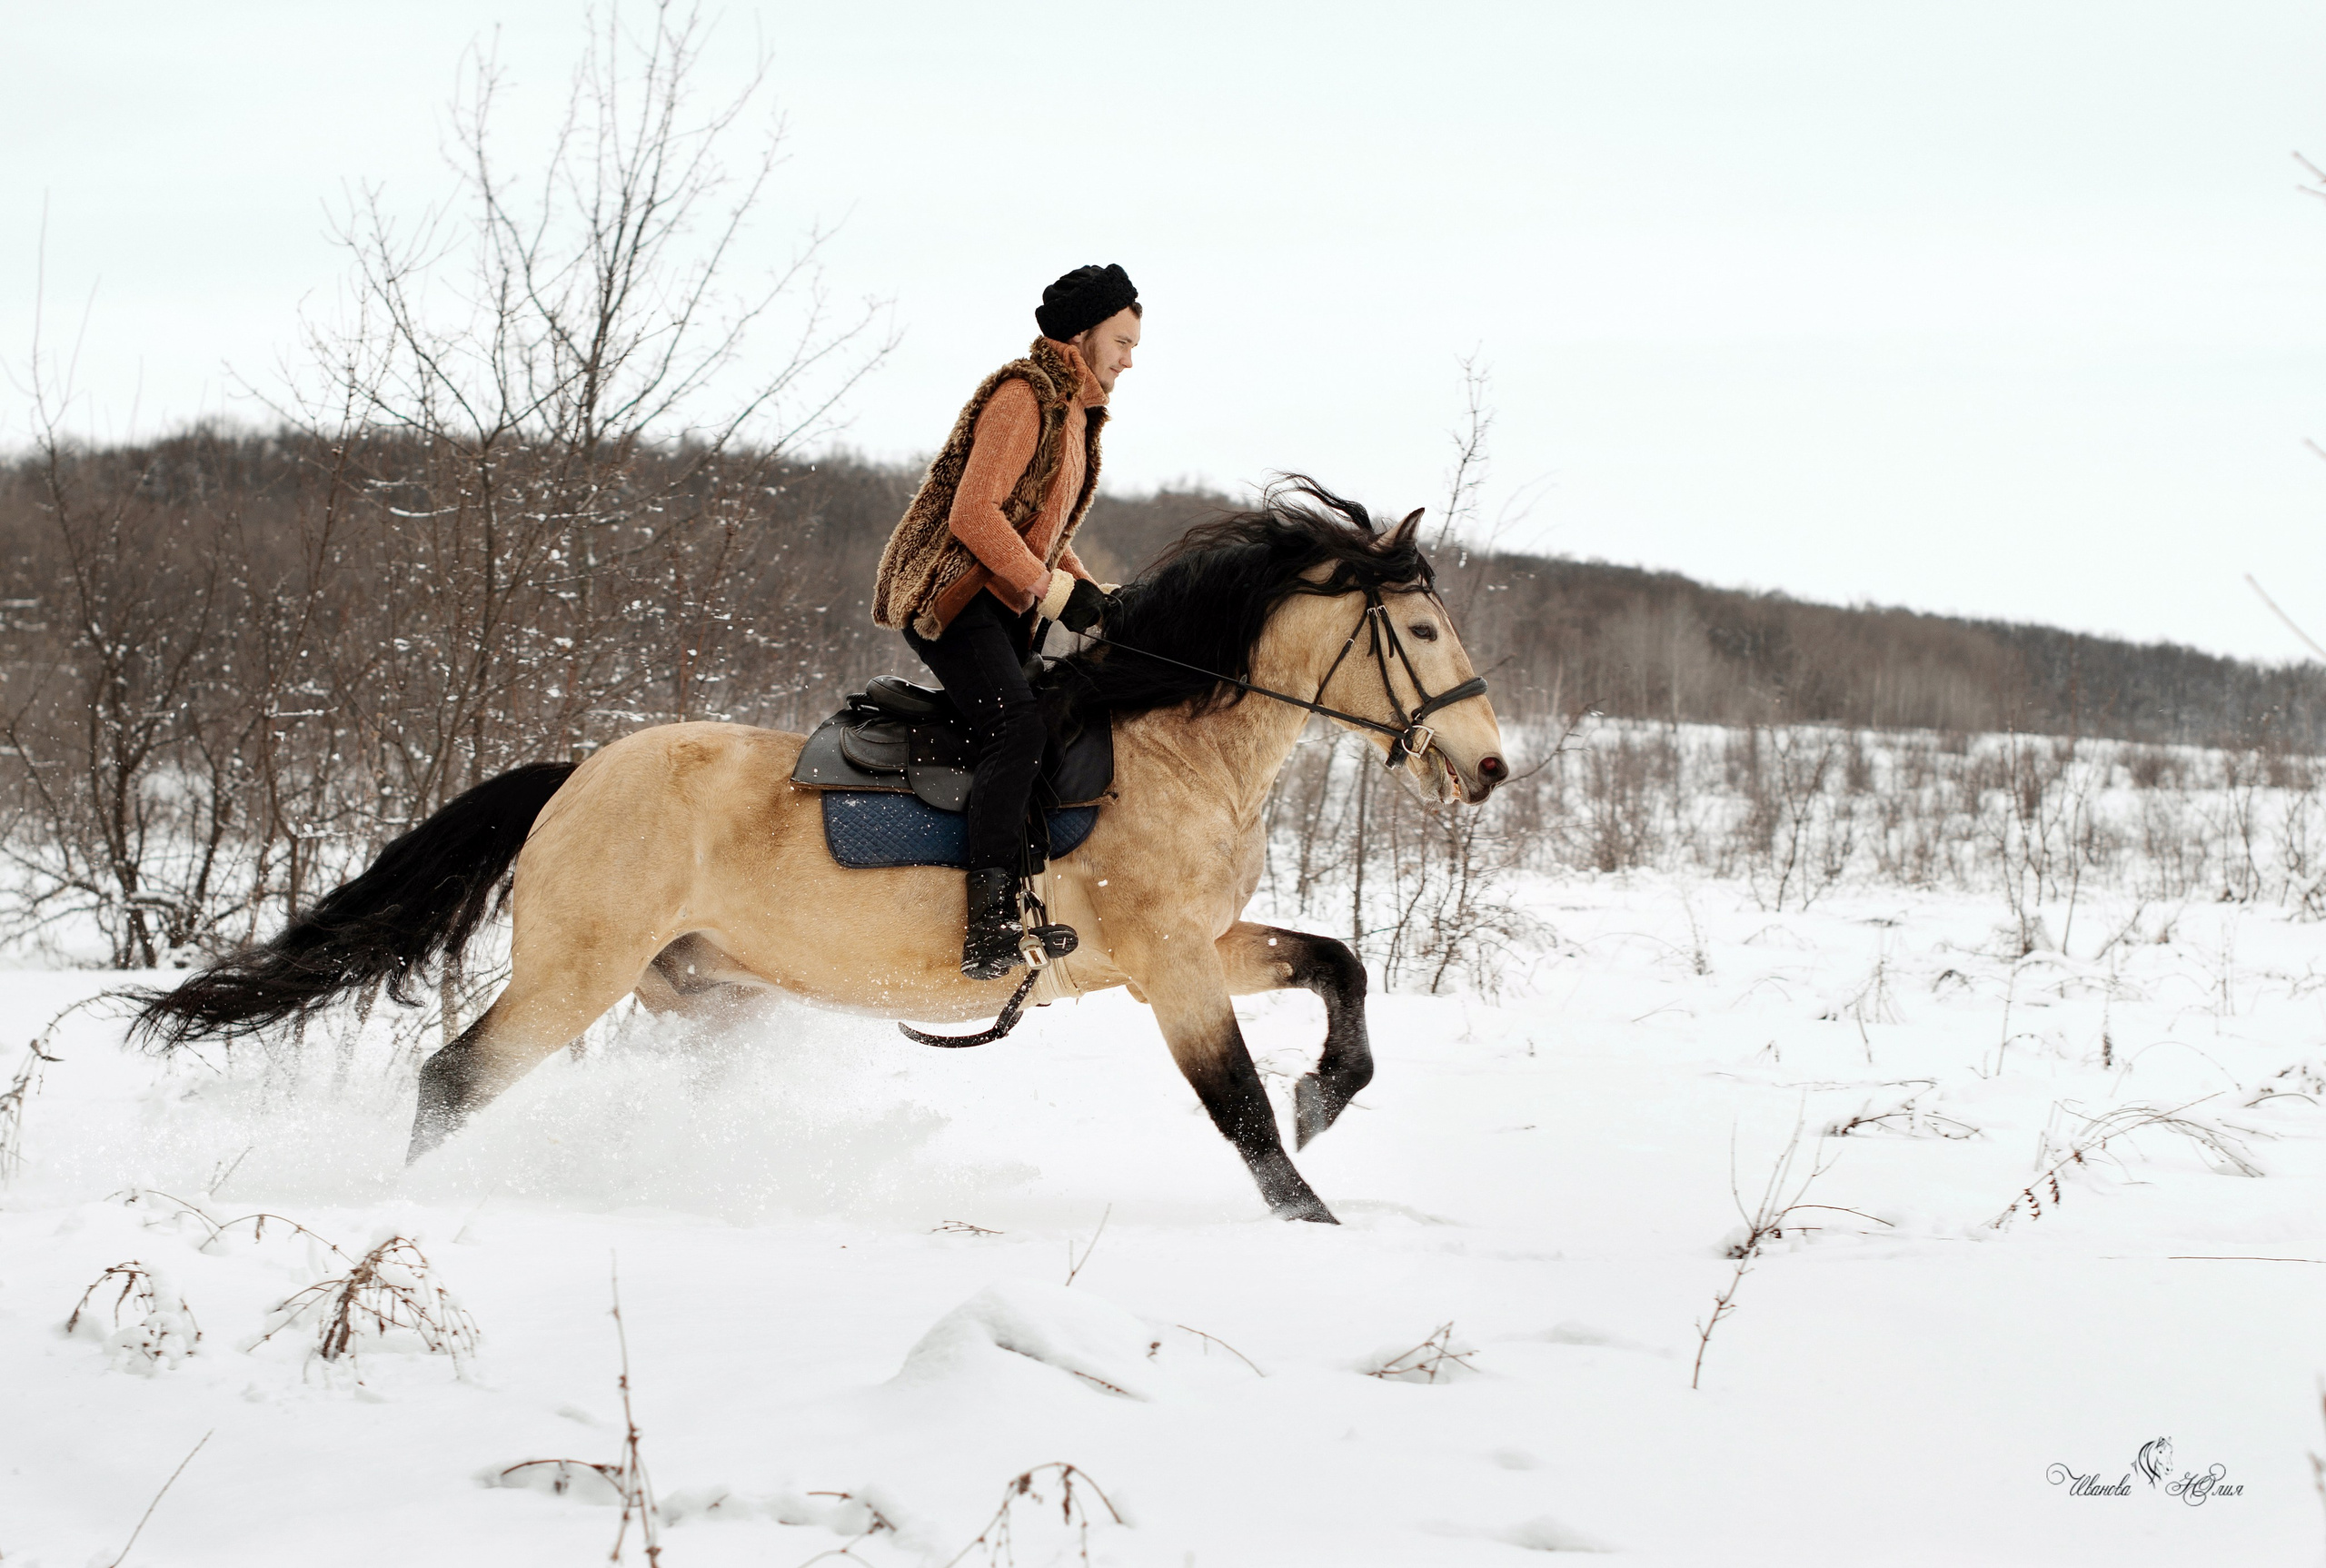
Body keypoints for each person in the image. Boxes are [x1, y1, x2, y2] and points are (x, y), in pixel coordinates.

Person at [871, 263, 1142, 979]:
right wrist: (1048, 589)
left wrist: (1087, 589)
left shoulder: (1074, 414)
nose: (1129, 358)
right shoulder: (1025, 397)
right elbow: (974, 514)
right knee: (1015, 725)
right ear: (1081, 335)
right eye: (1120, 341)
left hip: (1000, 602)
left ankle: (1028, 889)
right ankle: (987, 922)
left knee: (1046, 719)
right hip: (952, 596)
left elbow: (1038, 524)